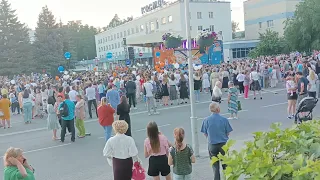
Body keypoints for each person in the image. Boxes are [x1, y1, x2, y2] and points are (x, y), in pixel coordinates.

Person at [201, 102, 233, 180]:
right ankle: (227, 178)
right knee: (225, 164)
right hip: (223, 145)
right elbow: (228, 132)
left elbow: (205, 133)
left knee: (215, 166)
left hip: (212, 144)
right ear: (218, 109)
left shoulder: (206, 120)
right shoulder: (224, 120)